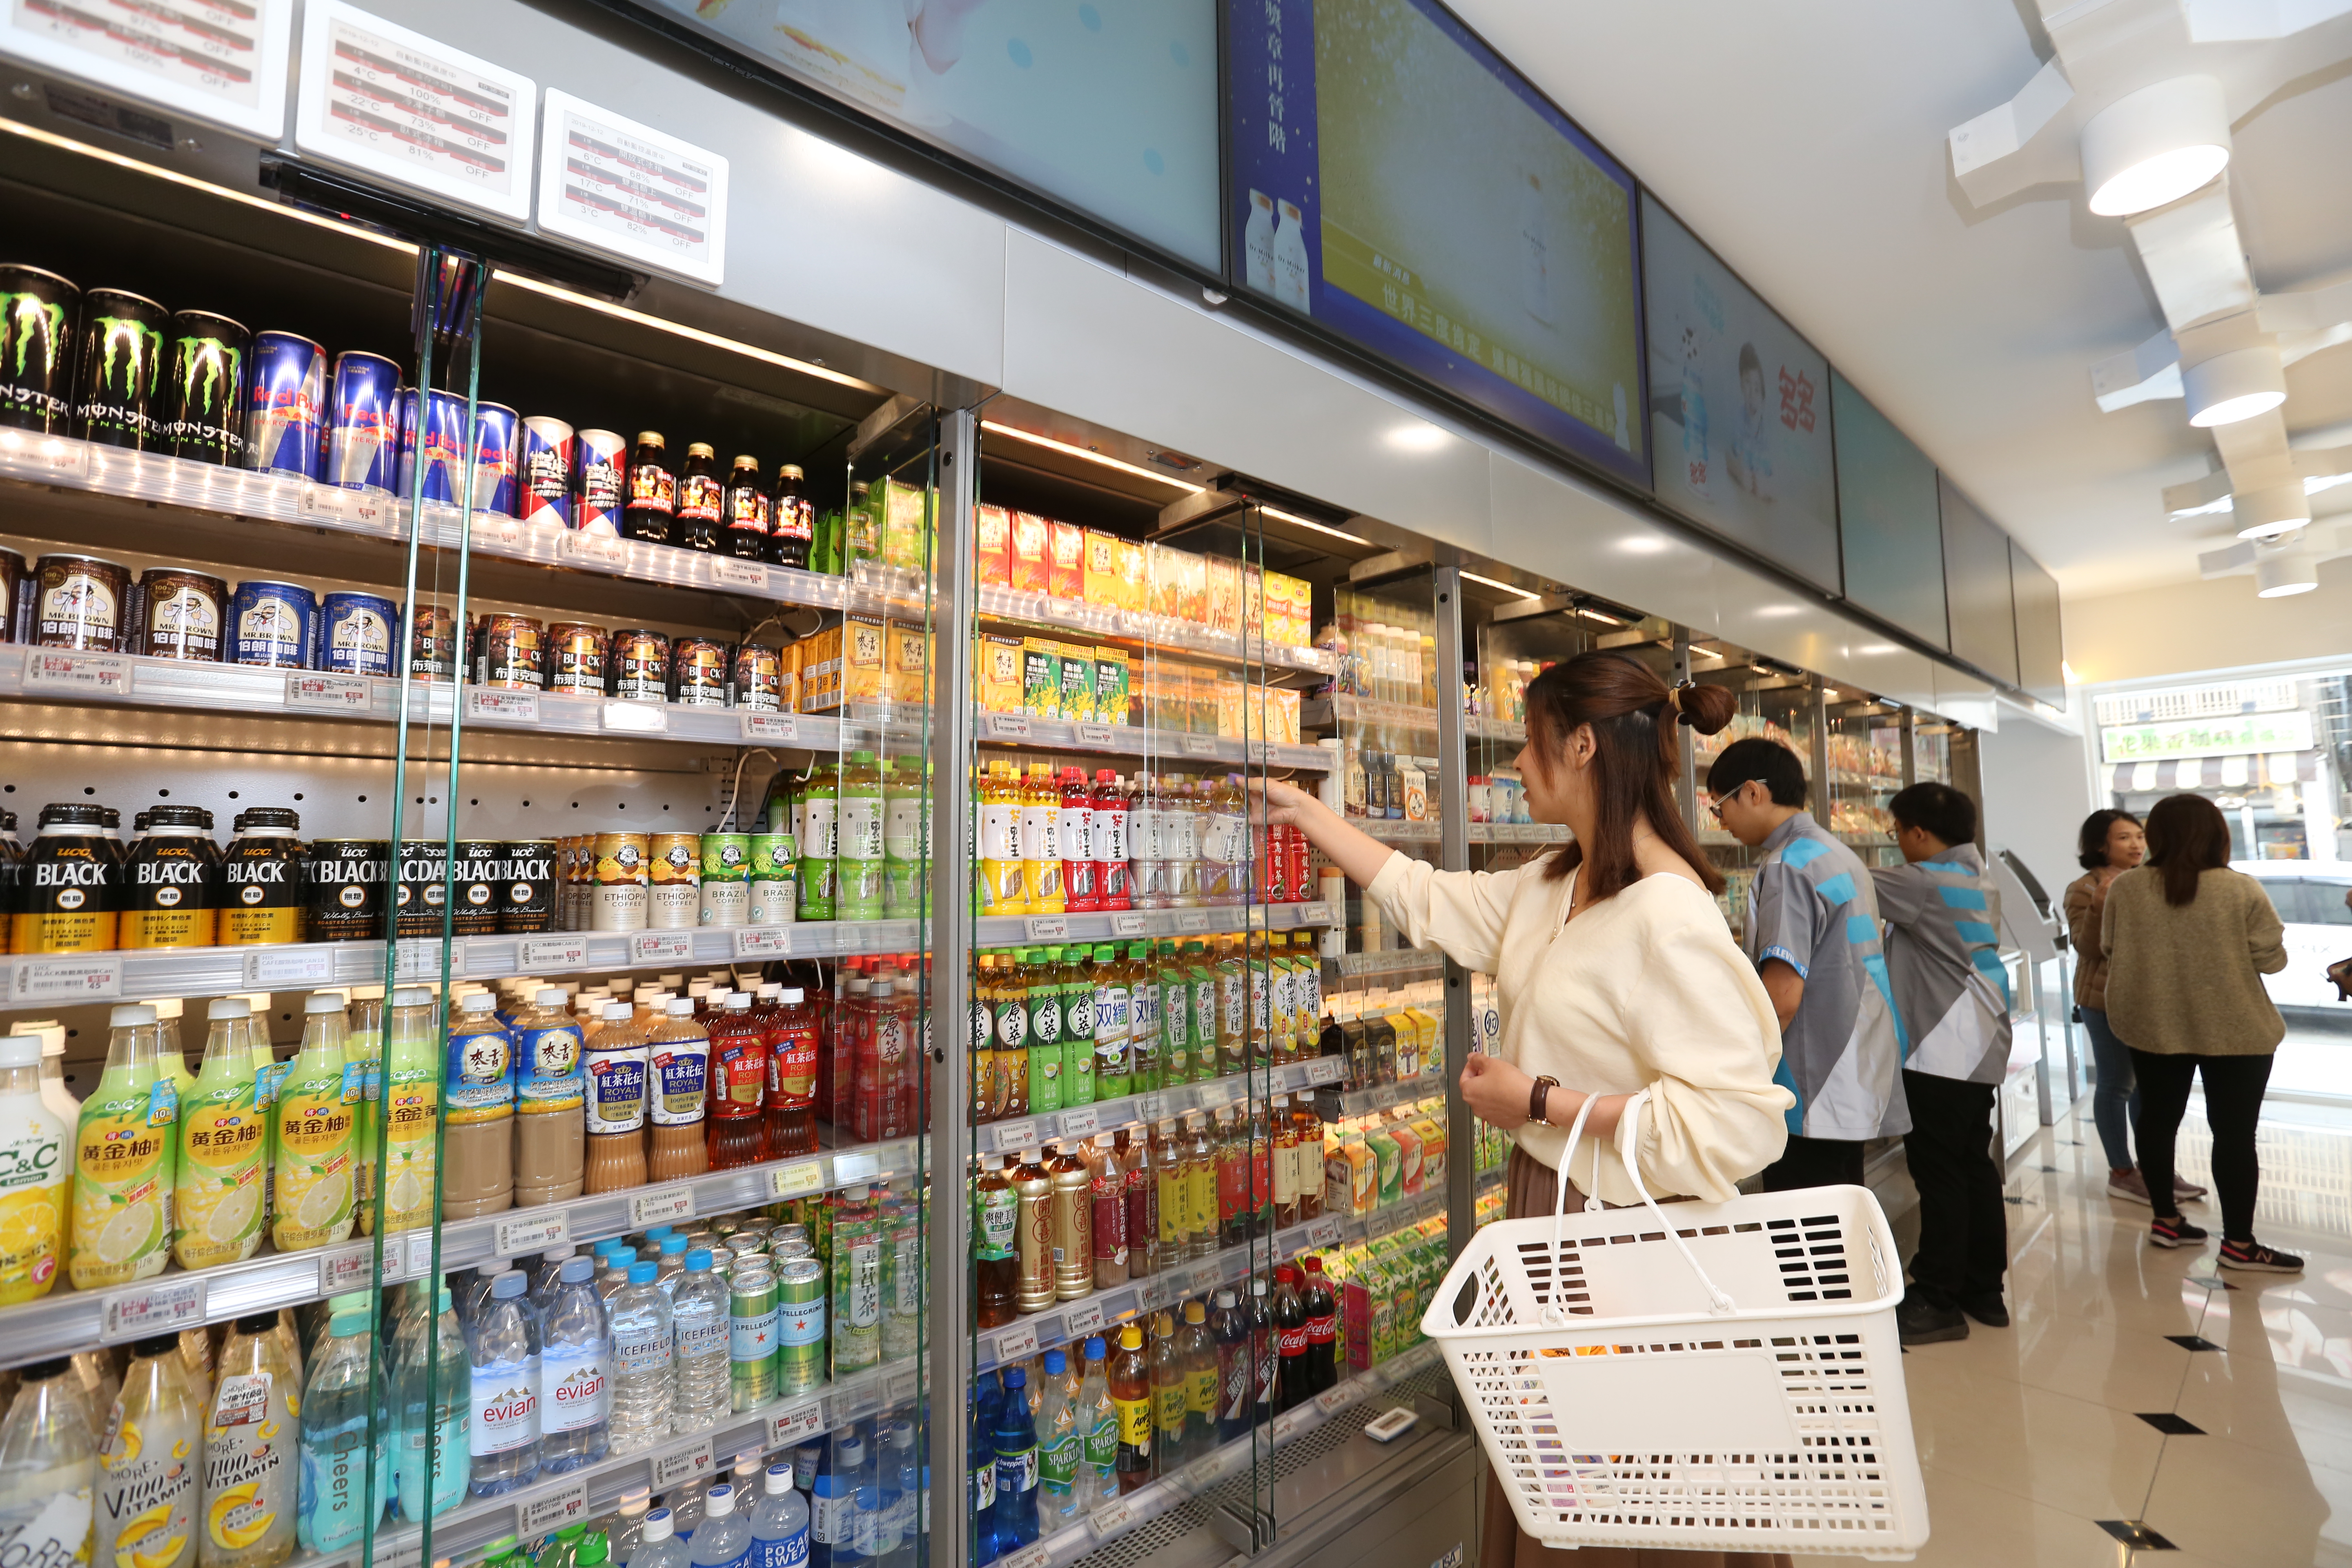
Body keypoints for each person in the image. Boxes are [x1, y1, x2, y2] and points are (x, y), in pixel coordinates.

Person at [1254, 651, 1793, 1568]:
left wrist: (1539, 1100)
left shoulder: (1669, 914)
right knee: (1559, 1483)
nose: (1516, 762)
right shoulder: (1556, 882)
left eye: (1531, 741)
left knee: (1627, 1497)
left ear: (1582, 746)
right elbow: (1430, 898)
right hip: (1551, 1214)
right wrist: (1312, 817)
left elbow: (1738, 1123)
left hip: (1632, 1249)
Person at [2102, 793, 2300, 1272]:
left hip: (2153, 1025)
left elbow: (2110, 949)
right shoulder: (2240, 889)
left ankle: (2166, 1222)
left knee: (2157, 1121)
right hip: (2237, 1030)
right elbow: (2272, 961)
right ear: (2217, 834)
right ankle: (2239, 1246)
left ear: (2158, 836)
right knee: (2234, 1134)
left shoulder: (2126, 888)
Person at [1706, 737, 1909, 1190]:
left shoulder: (1788, 867)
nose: (1721, 823)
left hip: (1812, 1081)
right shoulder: (1837, 853)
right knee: (1843, 1210)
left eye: (1720, 807)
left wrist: (1735, 1070)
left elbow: (1782, 998)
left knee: (1805, 1224)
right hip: (1855, 1070)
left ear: (1753, 792)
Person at [1869, 783, 2010, 1344]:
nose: (1898, 843)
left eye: (1897, 832)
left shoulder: (1924, 883)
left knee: (1940, 1173)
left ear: (1920, 833)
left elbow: (1843, 880)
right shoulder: (1977, 875)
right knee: (1974, 1166)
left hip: (1941, 1051)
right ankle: (1984, 1289)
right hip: (1979, 1045)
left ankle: (1936, 1297)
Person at [2064, 809, 2207, 1208]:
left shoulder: (2151, 880)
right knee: (2116, 1084)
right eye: (2124, 837)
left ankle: (2155, 1169)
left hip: (2149, 998)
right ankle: (2122, 1172)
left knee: (2150, 1087)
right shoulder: (2084, 888)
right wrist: (2100, 904)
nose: (2136, 845)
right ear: (2100, 845)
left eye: (2140, 836)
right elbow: (2086, 946)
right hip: (2103, 1000)